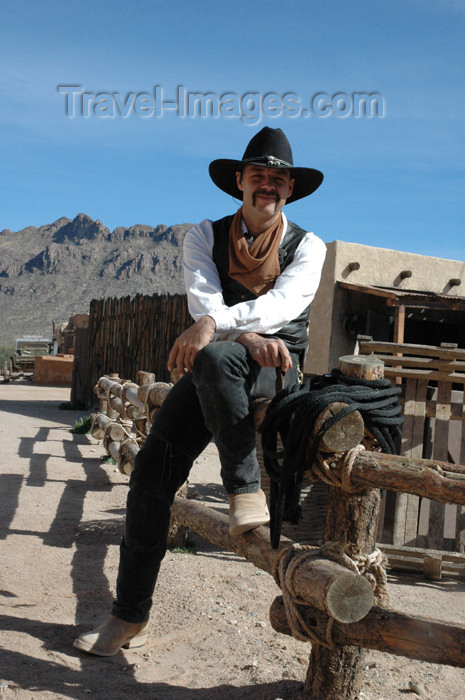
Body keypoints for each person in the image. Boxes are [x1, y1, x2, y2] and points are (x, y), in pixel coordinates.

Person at [74, 126, 326, 656]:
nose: (268, 186)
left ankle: (243, 489)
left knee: (212, 353)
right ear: (239, 181)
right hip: (220, 365)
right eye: (258, 175)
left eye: (278, 179)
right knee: (149, 477)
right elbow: (201, 296)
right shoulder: (201, 235)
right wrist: (241, 332)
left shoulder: (309, 246)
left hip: (276, 367)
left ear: (289, 189)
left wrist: (229, 329)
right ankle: (128, 614)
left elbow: (283, 307)